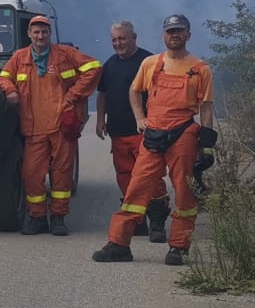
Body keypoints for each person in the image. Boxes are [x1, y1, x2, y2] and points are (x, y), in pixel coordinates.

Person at [92, 14, 215, 266]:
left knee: (183, 190)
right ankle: (119, 244)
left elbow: (206, 106)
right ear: (164, 35)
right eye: (170, 31)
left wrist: (206, 142)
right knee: (137, 186)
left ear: (188, 35)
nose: (175, 35)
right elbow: (134, 91)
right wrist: (140, 118)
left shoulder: (200, 69)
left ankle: (179, 247)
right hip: (152, 133)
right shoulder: (151, 64)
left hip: (182, 133)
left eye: (179, 31)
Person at [0, 15, 102, 235]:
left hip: (62, 126)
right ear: (29, 34)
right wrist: (11, 90)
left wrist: (73, 95)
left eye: (44, 32)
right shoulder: (19, 57)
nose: (40, 36)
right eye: (36, 32)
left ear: (50, 33)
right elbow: (3, 77)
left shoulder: (65, 54)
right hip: (34, 128)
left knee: (62, 174)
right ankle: (37, 218)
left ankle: (58, 218)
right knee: (32, 175)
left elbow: (93, 67)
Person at [96, 20, 170, 243]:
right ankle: (137, 221)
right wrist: (101, 119)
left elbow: (163, 93)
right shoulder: (109, 65)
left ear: (134, 38)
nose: (118, 43)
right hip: (118, 133)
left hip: (146, 133)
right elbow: (102, 95)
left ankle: (157, 222)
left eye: (123, 38)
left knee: (152, 178)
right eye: (114, 40)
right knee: (125, 178)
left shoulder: (150, 62)